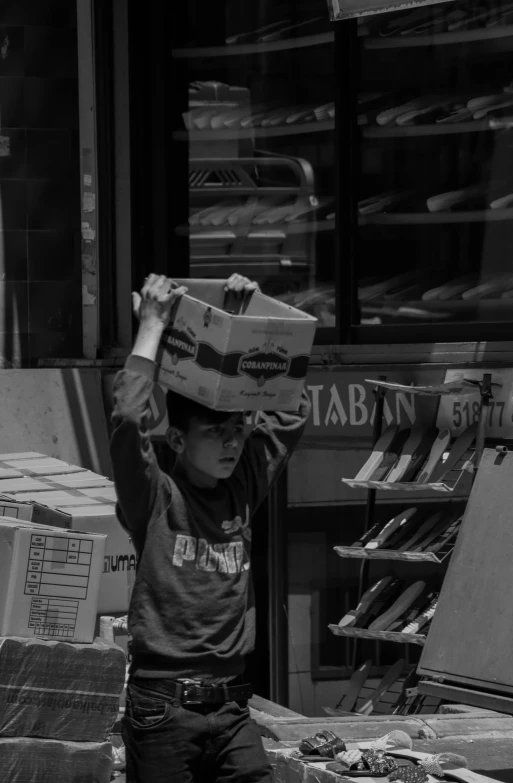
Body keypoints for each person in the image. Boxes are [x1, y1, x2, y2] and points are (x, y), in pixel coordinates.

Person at [110, 272, 311, 782]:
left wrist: (244, 329)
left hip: (231, 710)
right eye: (215, 432)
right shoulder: (155, 497)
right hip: (162, 707)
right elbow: (129, 420)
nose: (232, 442)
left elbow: (290, 411)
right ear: (177, 440)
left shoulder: (243, 483)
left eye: (239, 429)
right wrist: (152, 326)